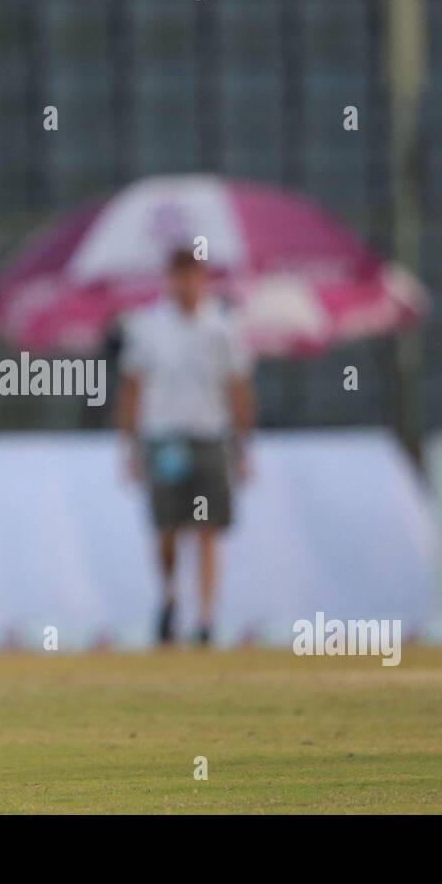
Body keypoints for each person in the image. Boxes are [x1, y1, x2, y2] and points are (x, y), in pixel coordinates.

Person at [117, 251, 255, 646]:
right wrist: (129, 446)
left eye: (192, 277)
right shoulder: (148, 327)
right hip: (164, 438)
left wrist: (243, 445)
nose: (186, 285)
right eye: (179, 277)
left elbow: (238, 387)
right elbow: (131, 386)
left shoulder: (222, 327)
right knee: (167, 530)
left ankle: (206, 619)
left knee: (209, 530)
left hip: (209, 437)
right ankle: (170, 596)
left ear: (203, 278)